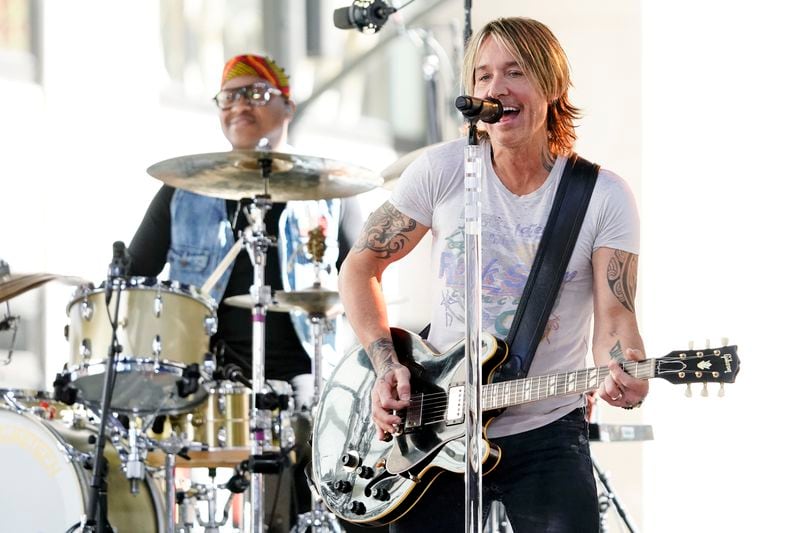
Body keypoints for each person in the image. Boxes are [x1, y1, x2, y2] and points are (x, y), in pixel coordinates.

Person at [338, 17, 648, 532]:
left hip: (547, 429)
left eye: (515, 72)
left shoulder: (601, 197)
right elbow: (360, 266)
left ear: (552, 85)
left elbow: (615, 321)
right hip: (438, 429)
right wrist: (385, 361)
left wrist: (625, 370)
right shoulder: (441, 171)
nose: (495, 88)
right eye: (482, 76)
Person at [129, 53, 355, 532]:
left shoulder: (327, 192)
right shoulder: (183, 191)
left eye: (255, 94)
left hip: (306, 376)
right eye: (228, 96)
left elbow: (363, 283)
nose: (239, 106)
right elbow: (134, 277)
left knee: (331, 457)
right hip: (212, 376)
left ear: (287, 107)